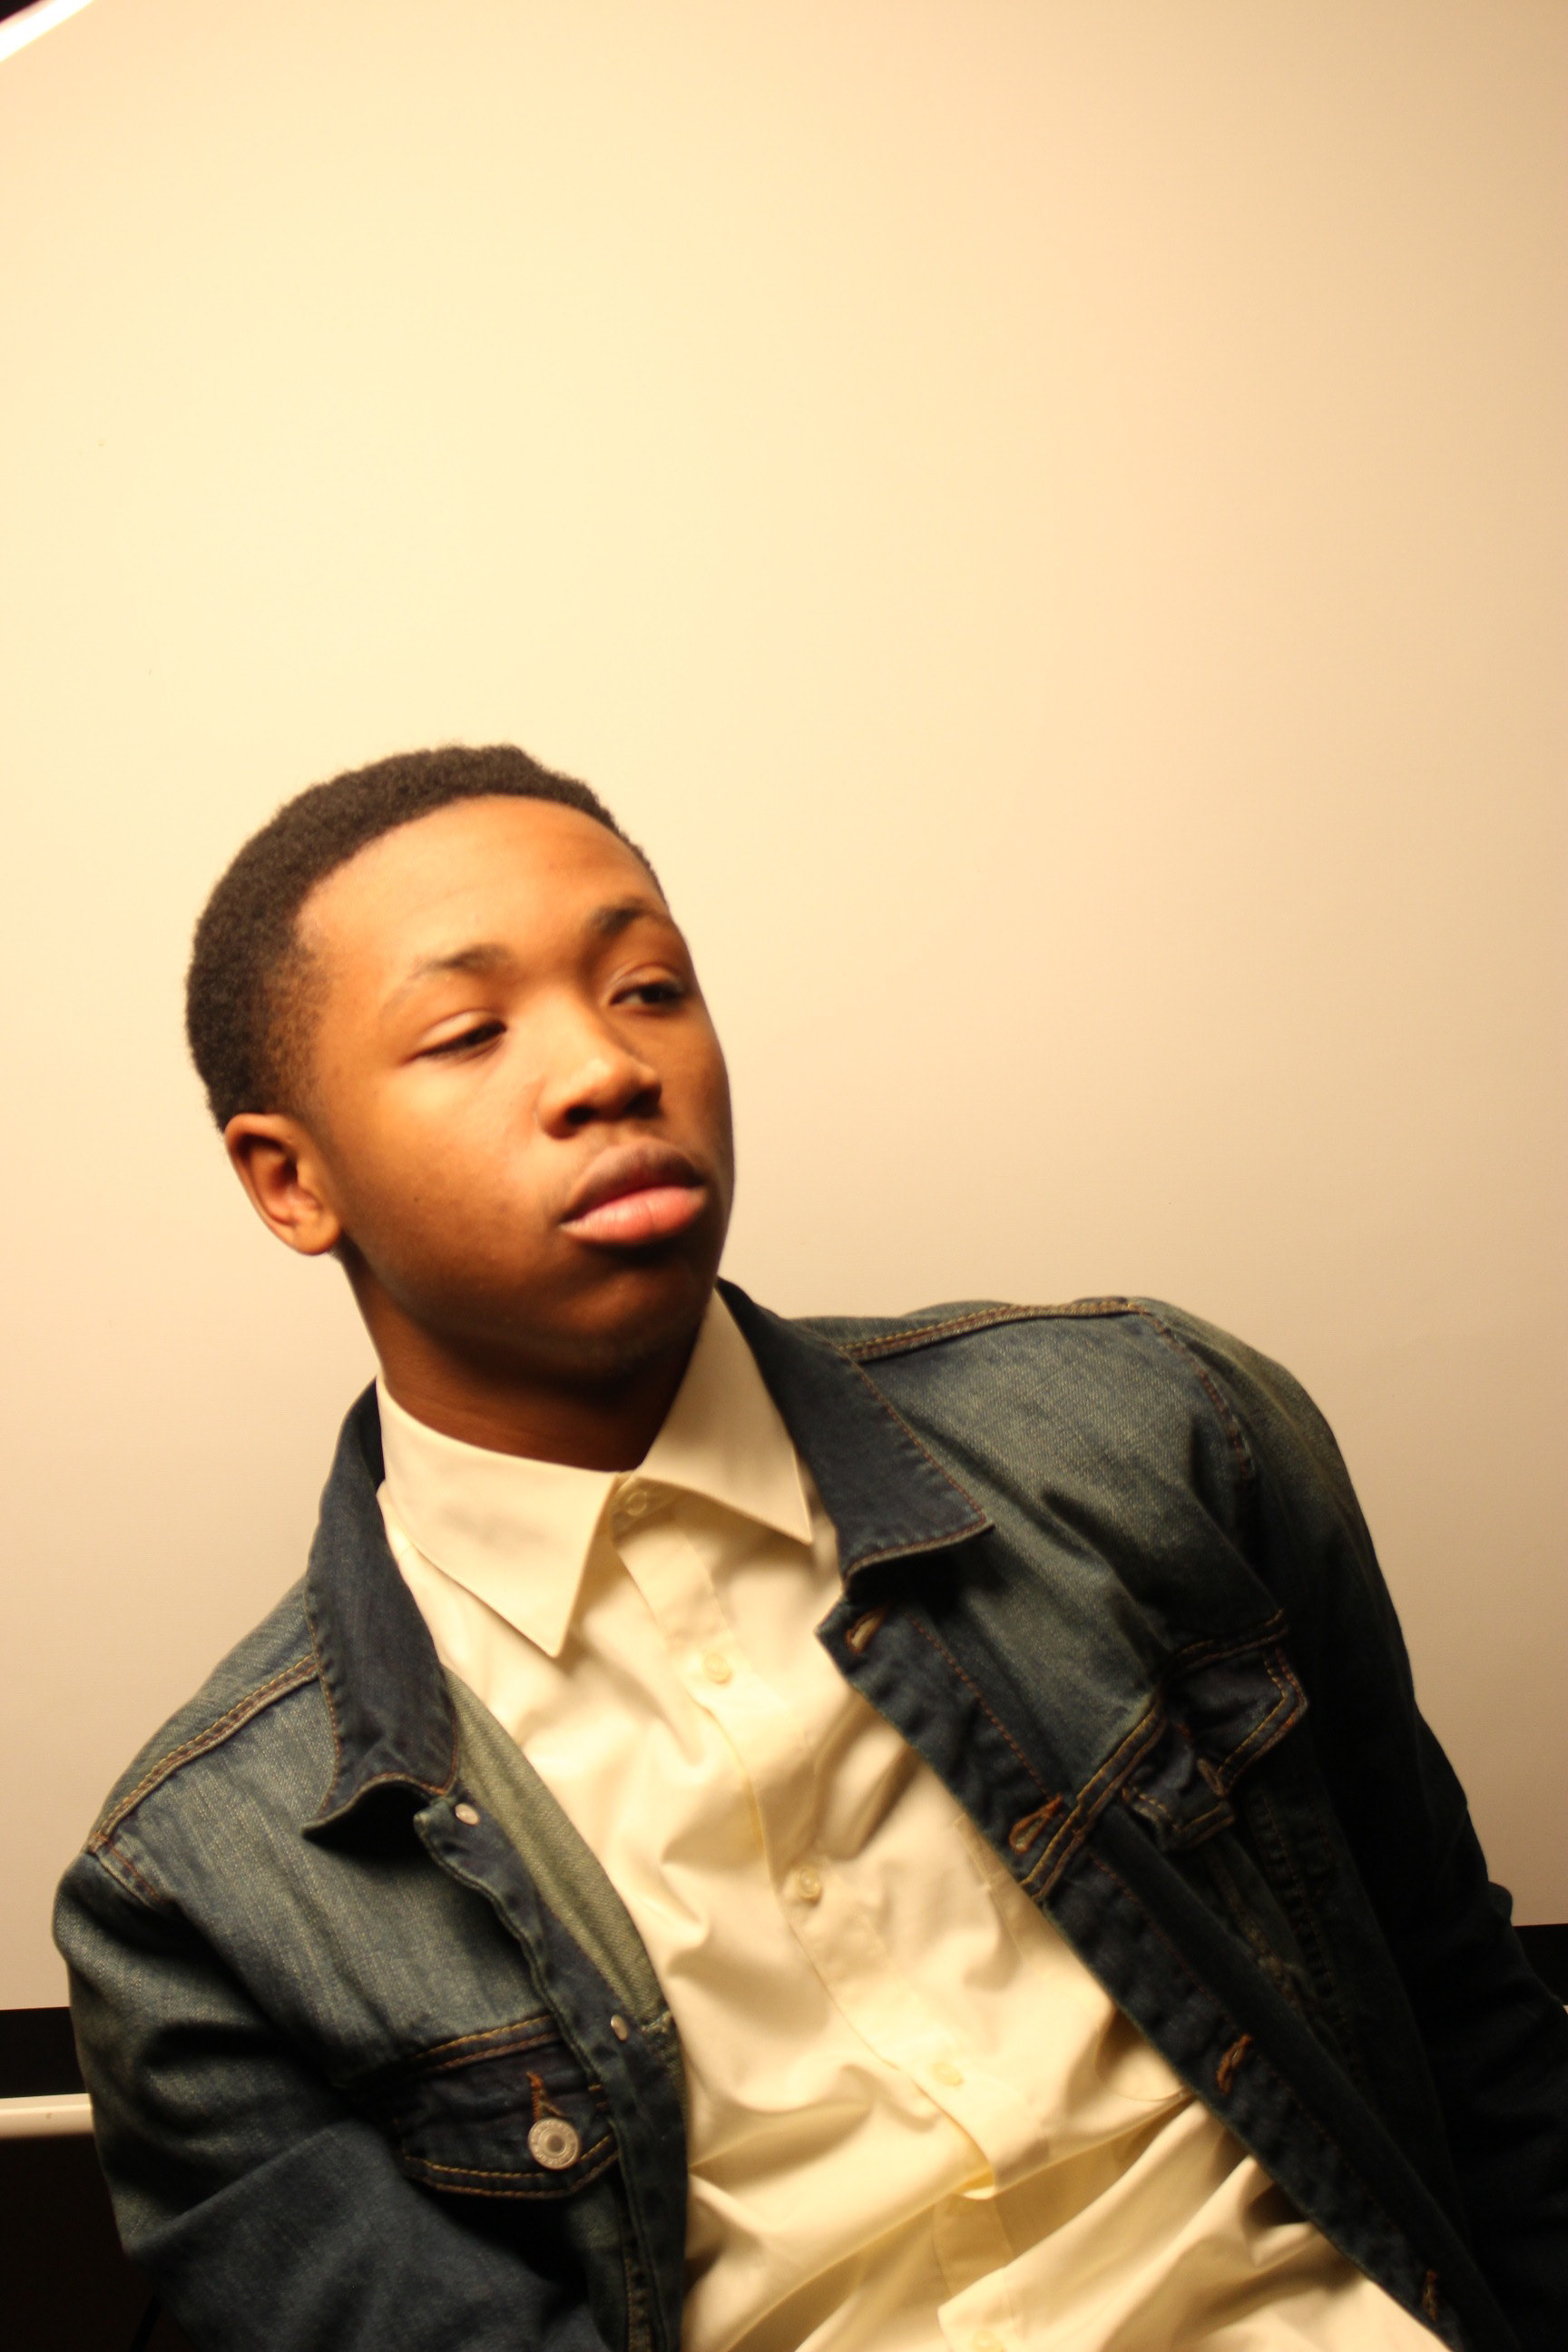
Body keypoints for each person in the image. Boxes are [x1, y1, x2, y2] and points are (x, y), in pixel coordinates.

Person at [55, 744, 1566, 2352]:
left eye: (648, 989)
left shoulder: (1159, 1428)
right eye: (471, 1032)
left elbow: (1475, 2033)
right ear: (291, 1181)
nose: (607, 1068)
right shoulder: (203, 1898)